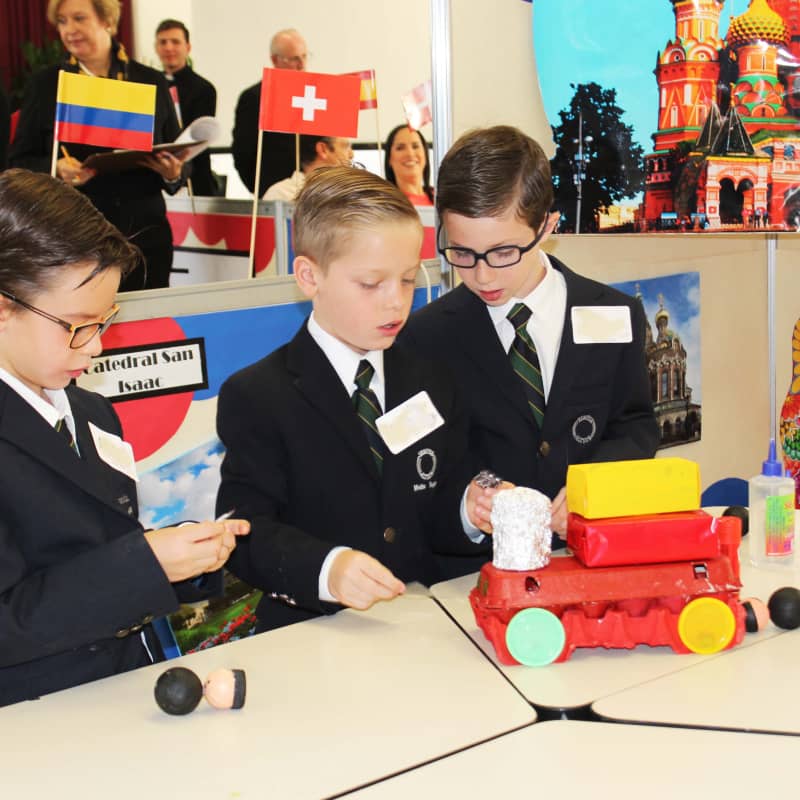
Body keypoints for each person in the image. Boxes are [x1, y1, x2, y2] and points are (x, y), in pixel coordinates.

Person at [0, 169, 250, 707]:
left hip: (129, 687)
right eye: (77, 324)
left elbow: (100, 549)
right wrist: (144, 565)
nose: (95, 347)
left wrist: (185, 558)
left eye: (106, 320)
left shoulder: (94, 413)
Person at [216, 166, 491, 631]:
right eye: (370, 284)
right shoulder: (258, 395)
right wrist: (327, 568)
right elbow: (246, 533)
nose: (396, 302)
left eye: (407, 280)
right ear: (309, 276)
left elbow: (442, 495)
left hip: (425, 624)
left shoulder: (432, 377)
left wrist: (471, 508)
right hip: (315, 630)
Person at [400, 126, 659, 541]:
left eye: (504, 252)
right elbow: (417, 463)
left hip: (586, 555)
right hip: (474, 575)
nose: (482, 275)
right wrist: (475, 500)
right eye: (463, 253)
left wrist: (594, 484)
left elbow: (635, 427)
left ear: (547, 226)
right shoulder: (423, 337)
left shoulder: (614, 314)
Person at [10, 0, 186, 291]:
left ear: (108, 20)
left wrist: (173, 173)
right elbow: (18, 161)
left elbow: (180, 154)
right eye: (63, 22)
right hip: (73, 238)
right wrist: (55, 167)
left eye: (79, 18)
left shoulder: (149, 81)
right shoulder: (46, 84)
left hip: (145, 235)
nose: (70, 30)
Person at [232, 28, 308, 197]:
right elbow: (244, 153)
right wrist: (261, 189)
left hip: (312, 192)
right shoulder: (255, 97)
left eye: (304, 56)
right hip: (273, 193)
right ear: (275, 60)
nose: (302, 65)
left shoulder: (313, 93)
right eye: (294, 59)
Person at [155, 18, 219, 196]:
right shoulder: (152, 84)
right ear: (156, 47)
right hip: (159, 175)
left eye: (175, 42)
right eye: (163, 42)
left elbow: (199, 137)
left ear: (187, 47)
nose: (168, 48)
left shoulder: (203, 88)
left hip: (196, 177)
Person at [264, 135, 353, 201]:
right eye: (345, 147)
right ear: (323, 150)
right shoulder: (282, 194)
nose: (352, 155)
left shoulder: (350, 192)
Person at [384, 124, 434, 206]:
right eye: (400, 148)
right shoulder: (387, 204)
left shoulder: (441, 197)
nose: (410, 154)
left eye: (415, 146)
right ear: (389, 159)